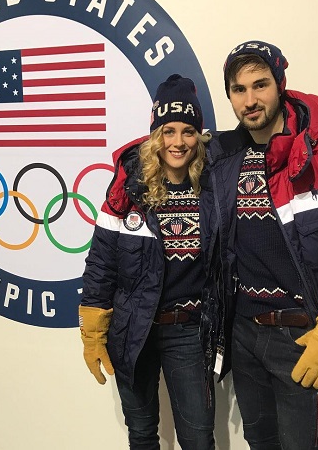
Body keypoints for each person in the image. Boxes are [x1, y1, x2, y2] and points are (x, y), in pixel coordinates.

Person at [204, 40, 318, 449]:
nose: (250, 100)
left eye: (260, 85)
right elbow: (162, 160)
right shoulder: (223, 156)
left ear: (281, 84)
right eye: (238, 90)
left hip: (304, 336)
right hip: (245, 336)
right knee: (259, 441)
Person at [79, 74, 220, 450]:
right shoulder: (127, 186)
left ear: (199, 135)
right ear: (156, 133)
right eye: (169, 131)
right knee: (141, 435)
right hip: (132, 330)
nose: (178, 142)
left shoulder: (212, 187)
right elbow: (101, 263)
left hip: (188, 332)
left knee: (198, 438)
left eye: (188, 131)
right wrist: (92, 331)